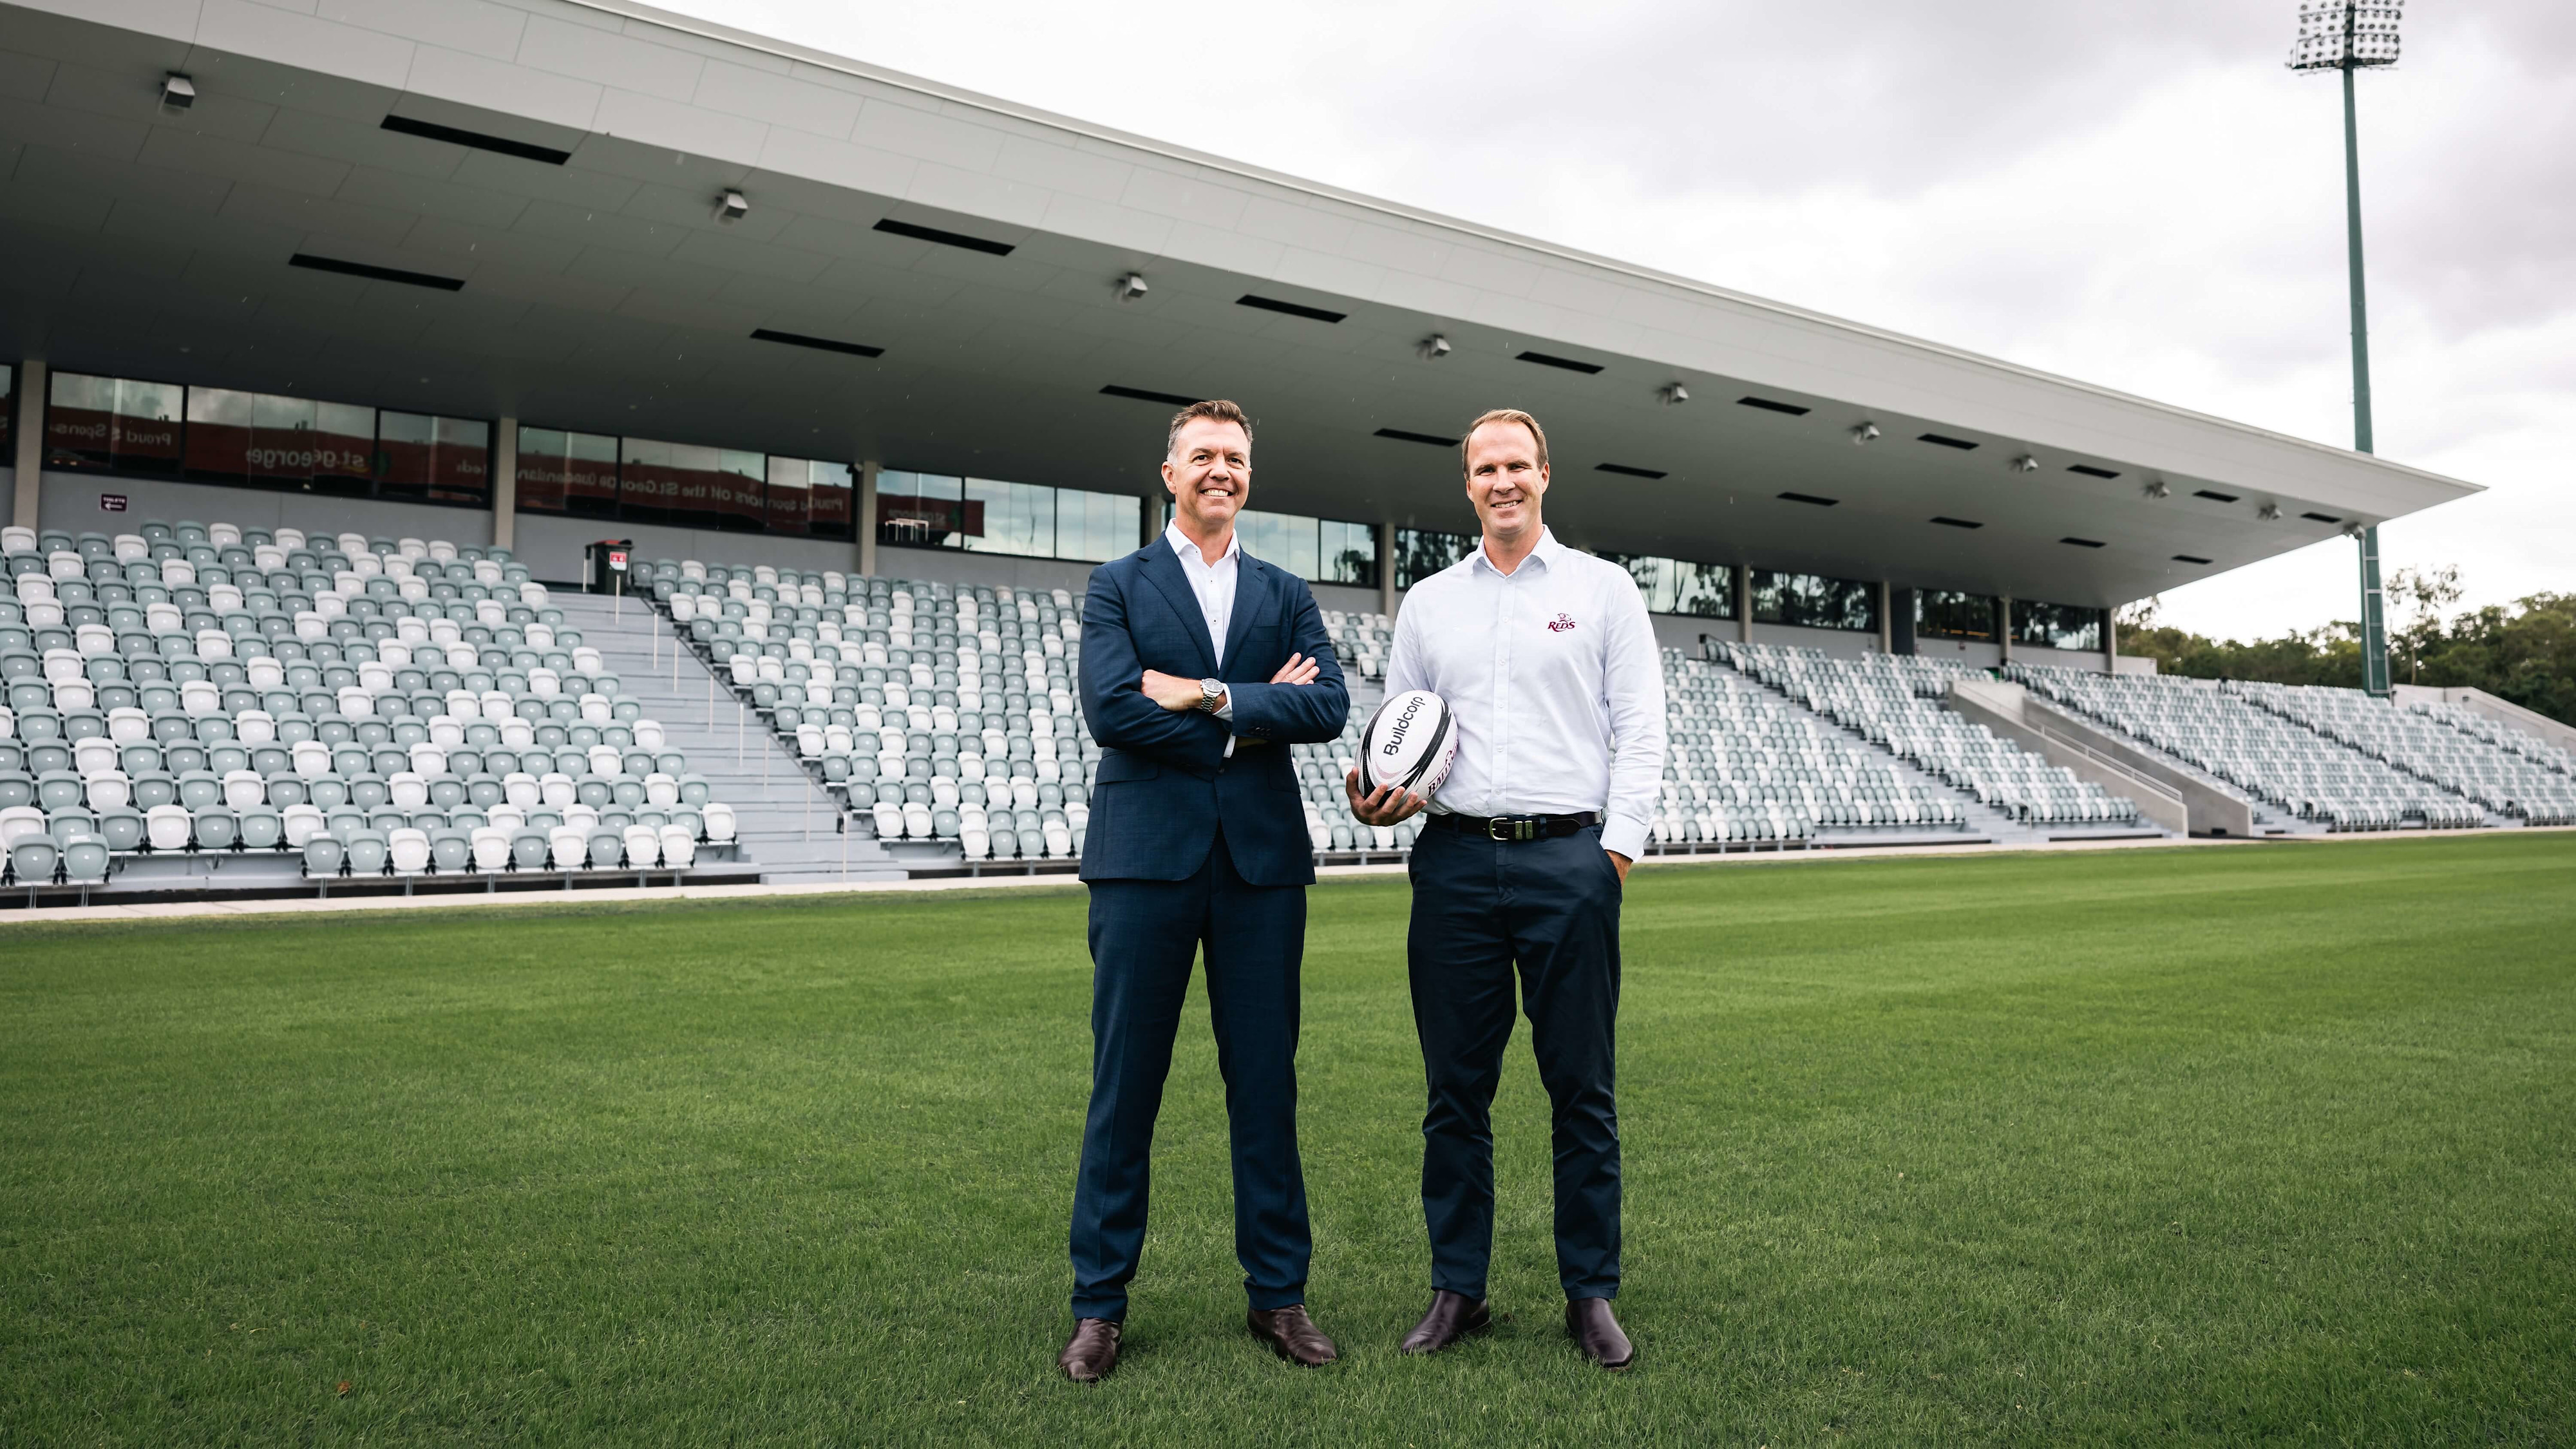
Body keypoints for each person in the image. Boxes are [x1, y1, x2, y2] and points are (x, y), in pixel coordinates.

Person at [1347, 407, 1667, 1370]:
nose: (1502, 482)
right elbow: (1406, 731)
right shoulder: (1431, 604)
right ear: (1468, 484)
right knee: (1455, 1092)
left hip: (1569, 861)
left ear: (1545, 474)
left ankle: (1591, 1293)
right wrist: (1382, 798)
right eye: (1485, 468)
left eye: (1516, 465)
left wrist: (1611, 857)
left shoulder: (1603, 590)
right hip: (1451, 865)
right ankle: (1459, 1289)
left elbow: (1640, 731)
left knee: (1582, 1090)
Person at [1059, 399, 1352, 1383]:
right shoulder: (1118, 584)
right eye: (1203, 456)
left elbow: (1330, 704)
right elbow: (1112, 708)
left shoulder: (1284, 588)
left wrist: (1207, 693)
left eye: (1235, 457)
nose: (1220, 469)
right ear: (1169, 471)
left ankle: (1279, 1295)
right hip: (1145, 862)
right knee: (1124, 1090)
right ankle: (1099, 1306)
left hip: (1262, 868)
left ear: (1248, 475)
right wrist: (1253, 720)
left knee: (1265, 1086)